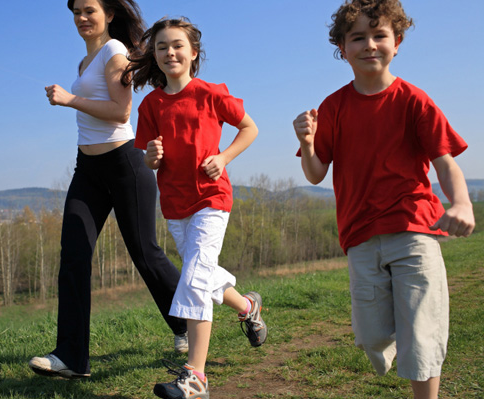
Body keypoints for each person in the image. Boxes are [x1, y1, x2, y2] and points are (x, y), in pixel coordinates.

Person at [292, 1, 475, 398]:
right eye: (358, 37)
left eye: (380, 35)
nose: (370, 44)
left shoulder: (413, 100)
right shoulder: (334, 107)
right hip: (359, 236)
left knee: (421, 332)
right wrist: (307, 143)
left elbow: (445, 163)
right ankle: (393, 343)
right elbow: (316, 172)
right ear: (342, 47)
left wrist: (460, 203)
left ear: (398, 42)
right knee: (371, 335)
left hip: (414, 230)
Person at [28, 0, 188, 379]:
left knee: (146, 254)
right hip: (88, 169)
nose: (82, 18)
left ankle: (187, 321)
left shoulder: (114, 52)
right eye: (76, 12)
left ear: (109, 15)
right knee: (74, 254)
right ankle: (71, 357)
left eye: (89, 10)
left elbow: (121, 111)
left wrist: (69, 99)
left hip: (123, 165)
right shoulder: (85, 63)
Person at [123, 17, 267, 399]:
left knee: (195, 279)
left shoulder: (211, 93)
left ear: (193, 52)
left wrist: (224, 157)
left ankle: (196, 377)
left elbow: (250, 128)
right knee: (201, 271)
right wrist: (153, 156)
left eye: (177, 45)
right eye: (161, 47)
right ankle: (247, 305)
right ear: (154, 56)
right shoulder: (151, 104)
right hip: (174, 204)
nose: (170, 52)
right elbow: (151, 159)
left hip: (211, 198)